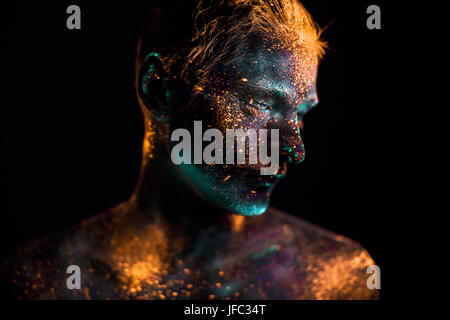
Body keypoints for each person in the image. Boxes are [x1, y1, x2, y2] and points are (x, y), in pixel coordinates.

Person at [1, 0, 378, 299]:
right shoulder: (46, 284)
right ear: (159, 89)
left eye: (299, 113)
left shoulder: (337, 280)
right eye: (261, 104)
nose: (295, 150)